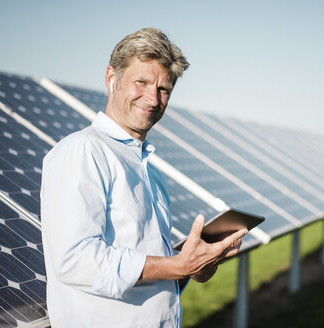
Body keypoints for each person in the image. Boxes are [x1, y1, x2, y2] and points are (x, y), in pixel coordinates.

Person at [40, 28, 247, 328]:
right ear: (112, 78)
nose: (152, 98)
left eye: (164, 89)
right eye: (142, 82)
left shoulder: (149, 169)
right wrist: (177, 264)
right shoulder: (83, 151)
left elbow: (156, 276)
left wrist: (196, 263)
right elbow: (75, 260)